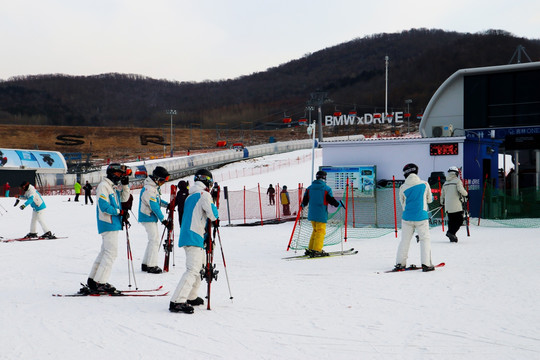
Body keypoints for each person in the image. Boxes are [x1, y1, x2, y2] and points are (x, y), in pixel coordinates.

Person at [169, 169, 219, 314]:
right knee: (192, 270)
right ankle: (177, 301)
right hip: (193, 236)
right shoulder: (204, 195)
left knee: (199, 267)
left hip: (193, 235)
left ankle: (191, 296)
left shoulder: (191, 196)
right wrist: (214, 202)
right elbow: (213, 215)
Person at [83, 163, 130, 294]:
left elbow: (124, 198)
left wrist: (126, 185)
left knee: (104, 252)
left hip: (113, 223)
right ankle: (100, 282)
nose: (120, 176)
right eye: (119, 174)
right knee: (111, 253)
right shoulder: (104, 186)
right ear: (112, 173)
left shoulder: (112, 187)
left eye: (122, 174)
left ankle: (93, 279)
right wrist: (119, 212)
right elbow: (103, 206)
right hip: (108, 222)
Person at [394, 163, 435, 272]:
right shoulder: (425, 184)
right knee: (424, 239)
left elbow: (403, 204)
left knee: (405, 241)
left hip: (407, 217)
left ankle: (400, 263)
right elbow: (430, 200)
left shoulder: (402, 187)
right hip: (421, 217)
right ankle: (426, 264)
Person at [138, 166, 172, 274]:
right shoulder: (149, 189)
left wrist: (167, 205)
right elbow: (154, 206)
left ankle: (146, 263)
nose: (162, 183)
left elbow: (158, 202)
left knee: (152, 240)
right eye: (162, 181)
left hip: (150, 217)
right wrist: (164, 220)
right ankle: (151, 265)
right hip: (147, 216)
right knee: (154, 240)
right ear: (157, 178)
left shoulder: (153, 188)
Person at [301, 171, 342, 257]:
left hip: (312, 213)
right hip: (321, 213)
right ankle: (317, 250)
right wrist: (338, 204)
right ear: (324, 178)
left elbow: (305, 200)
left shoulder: (309, 188)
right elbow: (331, 200)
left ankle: (311, 248)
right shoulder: (326, 189)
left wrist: (303, 205)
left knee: (315, 231)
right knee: (320, 231)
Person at [440, 166, 468, 243]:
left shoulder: (445, 183)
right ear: (456, 173)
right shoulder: (457, 181)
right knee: (459, 220)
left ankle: (451, 235)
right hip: (456, 205)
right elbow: (461, 190)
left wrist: (442, 202)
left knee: (451, 220)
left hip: (448, 206)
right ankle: (451, 233)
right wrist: (466, 194)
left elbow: (442, 194)